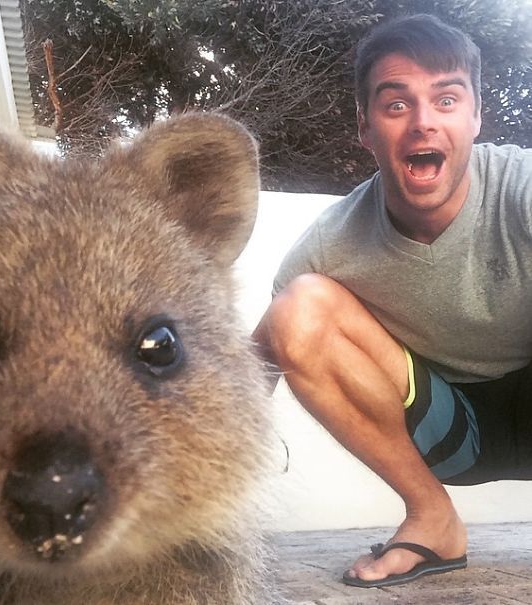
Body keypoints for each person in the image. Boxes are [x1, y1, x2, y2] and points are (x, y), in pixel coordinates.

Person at [253, 13, 532, 588]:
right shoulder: (331, 243)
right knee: (298, 311)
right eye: (397, 104)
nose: (424, 123)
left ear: (477, 116)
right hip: (452, 430)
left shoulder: (521, 187)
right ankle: (433, 519)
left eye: (447, 99)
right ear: (365, 126)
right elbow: (247, 375)